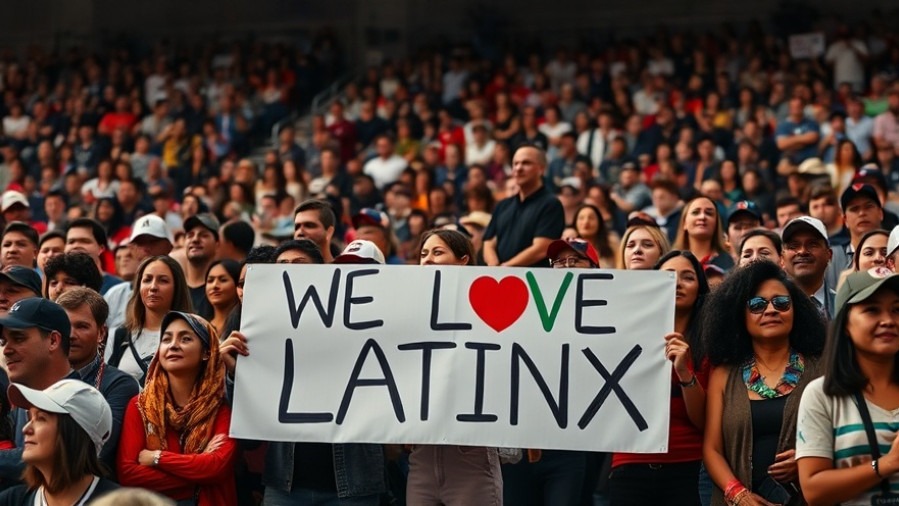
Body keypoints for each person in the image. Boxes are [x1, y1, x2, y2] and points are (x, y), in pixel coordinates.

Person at [701, 260, 825, 506]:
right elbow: (711, 450)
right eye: (757, 305)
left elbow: (845, 432)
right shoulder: (724, 375)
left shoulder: (822, 367)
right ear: (740, 315)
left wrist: (808, 457)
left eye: (781, 303)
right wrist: (739, 495)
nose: (771, 310)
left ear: (796, 311)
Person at [407, 229, 503, 506]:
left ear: (463, 261)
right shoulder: (405, 310)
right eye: (424, 254)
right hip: (421, 458)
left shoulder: (486, 311)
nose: (428, 260)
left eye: (438, 253)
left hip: (471, 456)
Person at [609, 250, 709, 505]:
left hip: (688, 468)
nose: (677, 283)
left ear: (699, 288)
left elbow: (703, 421)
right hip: (630, 463)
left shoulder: (710, 343)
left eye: (688, 277)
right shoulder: (624, 334)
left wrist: (685, 371)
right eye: (669, 276)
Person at [795, 268, 899, 505]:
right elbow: (813, 490)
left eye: (897, 310)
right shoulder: (821, 395)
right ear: (845, 324)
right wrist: (888, 463)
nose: (889, 320)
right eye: (872, 310)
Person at [117, 311, 238, 505]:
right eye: (166, 339)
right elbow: (129, 474)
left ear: (207, 352)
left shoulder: (221, 408)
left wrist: (157, 458)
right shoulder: (140, 406)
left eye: (186, 339)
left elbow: (217, 466)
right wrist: (199, 476)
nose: (173, 345)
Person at [56, 287, 139, 473]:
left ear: (101, 333)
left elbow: (98, 451)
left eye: (82, 326)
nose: (71, 334)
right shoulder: (37, 378)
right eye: (64, 326)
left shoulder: (120, 384)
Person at [0, 380, 118, 504]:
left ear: (74, 432)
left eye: (41, 418)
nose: (25, 429)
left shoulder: (119, 502)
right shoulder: (11, 500)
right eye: (30, 418)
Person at [0, 298, 79, 481]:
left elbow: (57, 459)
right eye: (4, 341)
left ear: (53, 340)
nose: (6, 350)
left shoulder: (79, 399)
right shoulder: (22, 398)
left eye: (18, 338)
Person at [106, 256, 192, 385]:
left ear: (177, 287)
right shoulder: (118, 335)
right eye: (147, 280)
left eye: (163, 281)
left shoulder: (193, 335)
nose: (153, 287)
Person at [483, 145, 565, 267]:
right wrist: (494, 265)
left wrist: (506, 268)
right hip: (500, 279)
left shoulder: (551, 204)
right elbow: (488, 242)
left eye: (526, 163)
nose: (519, 168)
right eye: (515, 164)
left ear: (541, 169)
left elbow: (542, 248)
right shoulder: (502, 206)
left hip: (534, 281)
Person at [104, 215, 174, 329]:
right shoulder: (114, 295)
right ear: (131, 248)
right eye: (140, 243)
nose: (146, 248)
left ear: (169, 247)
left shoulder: (181, 290)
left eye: (153, 241)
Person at [782, 216, 836, 320]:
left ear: (829, 255)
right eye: (793, 246)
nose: (802, 251)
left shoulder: (845, 306)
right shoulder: (774, 309)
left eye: (812, 244)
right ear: (782, 259)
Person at [673, 196, 735, 273]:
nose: (702, 217)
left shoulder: (729, 262)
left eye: (709, 213)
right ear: (684, 223)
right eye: (695, 212)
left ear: (716, 224)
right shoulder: (671, 262)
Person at [64, 218, 124, 295]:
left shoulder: (119, 288)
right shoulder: (55, 286)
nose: (76, 245)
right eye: (71, 242)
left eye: (84, 241)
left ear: (101, 248)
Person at [183, 213, 220, 320]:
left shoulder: (220, 290)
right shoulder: (174, 287)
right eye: (190, 235)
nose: (195, 239)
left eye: (204, 235)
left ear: (217, 244)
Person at [573, 204, 617, 268]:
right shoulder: (569, 247)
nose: (586, 222)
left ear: (599, 222)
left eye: (591, 218)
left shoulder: (612, 243)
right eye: (581, 218)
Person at [293, 199, 336, 263]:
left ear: (329, 232)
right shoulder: (283, 268)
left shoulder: (346, 270)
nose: (300, 232)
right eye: (297, 227)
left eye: (309, 225)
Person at [204, 259, 240, 334]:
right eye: (210, 281)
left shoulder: (244, 326)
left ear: (238, 285)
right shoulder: (199, 326)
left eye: (223, 280)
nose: (215, 286)